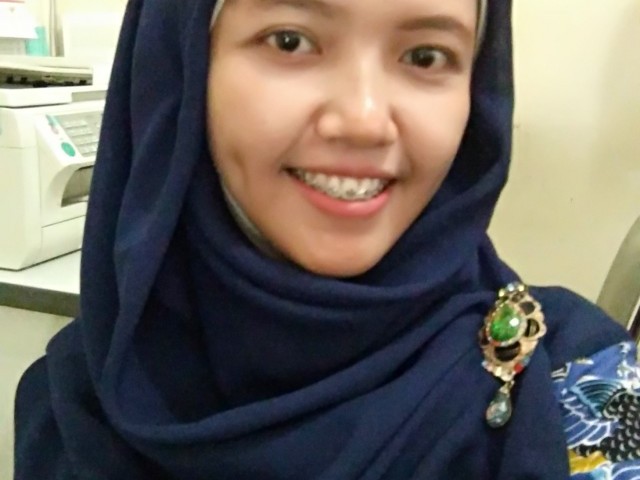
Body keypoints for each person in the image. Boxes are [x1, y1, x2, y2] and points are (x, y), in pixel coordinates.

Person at [12, 0, 640, 478]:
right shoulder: (71, 403)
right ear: (183, 69)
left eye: (425, 56)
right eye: (290, 41)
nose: (364, 120)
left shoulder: (582, 389)